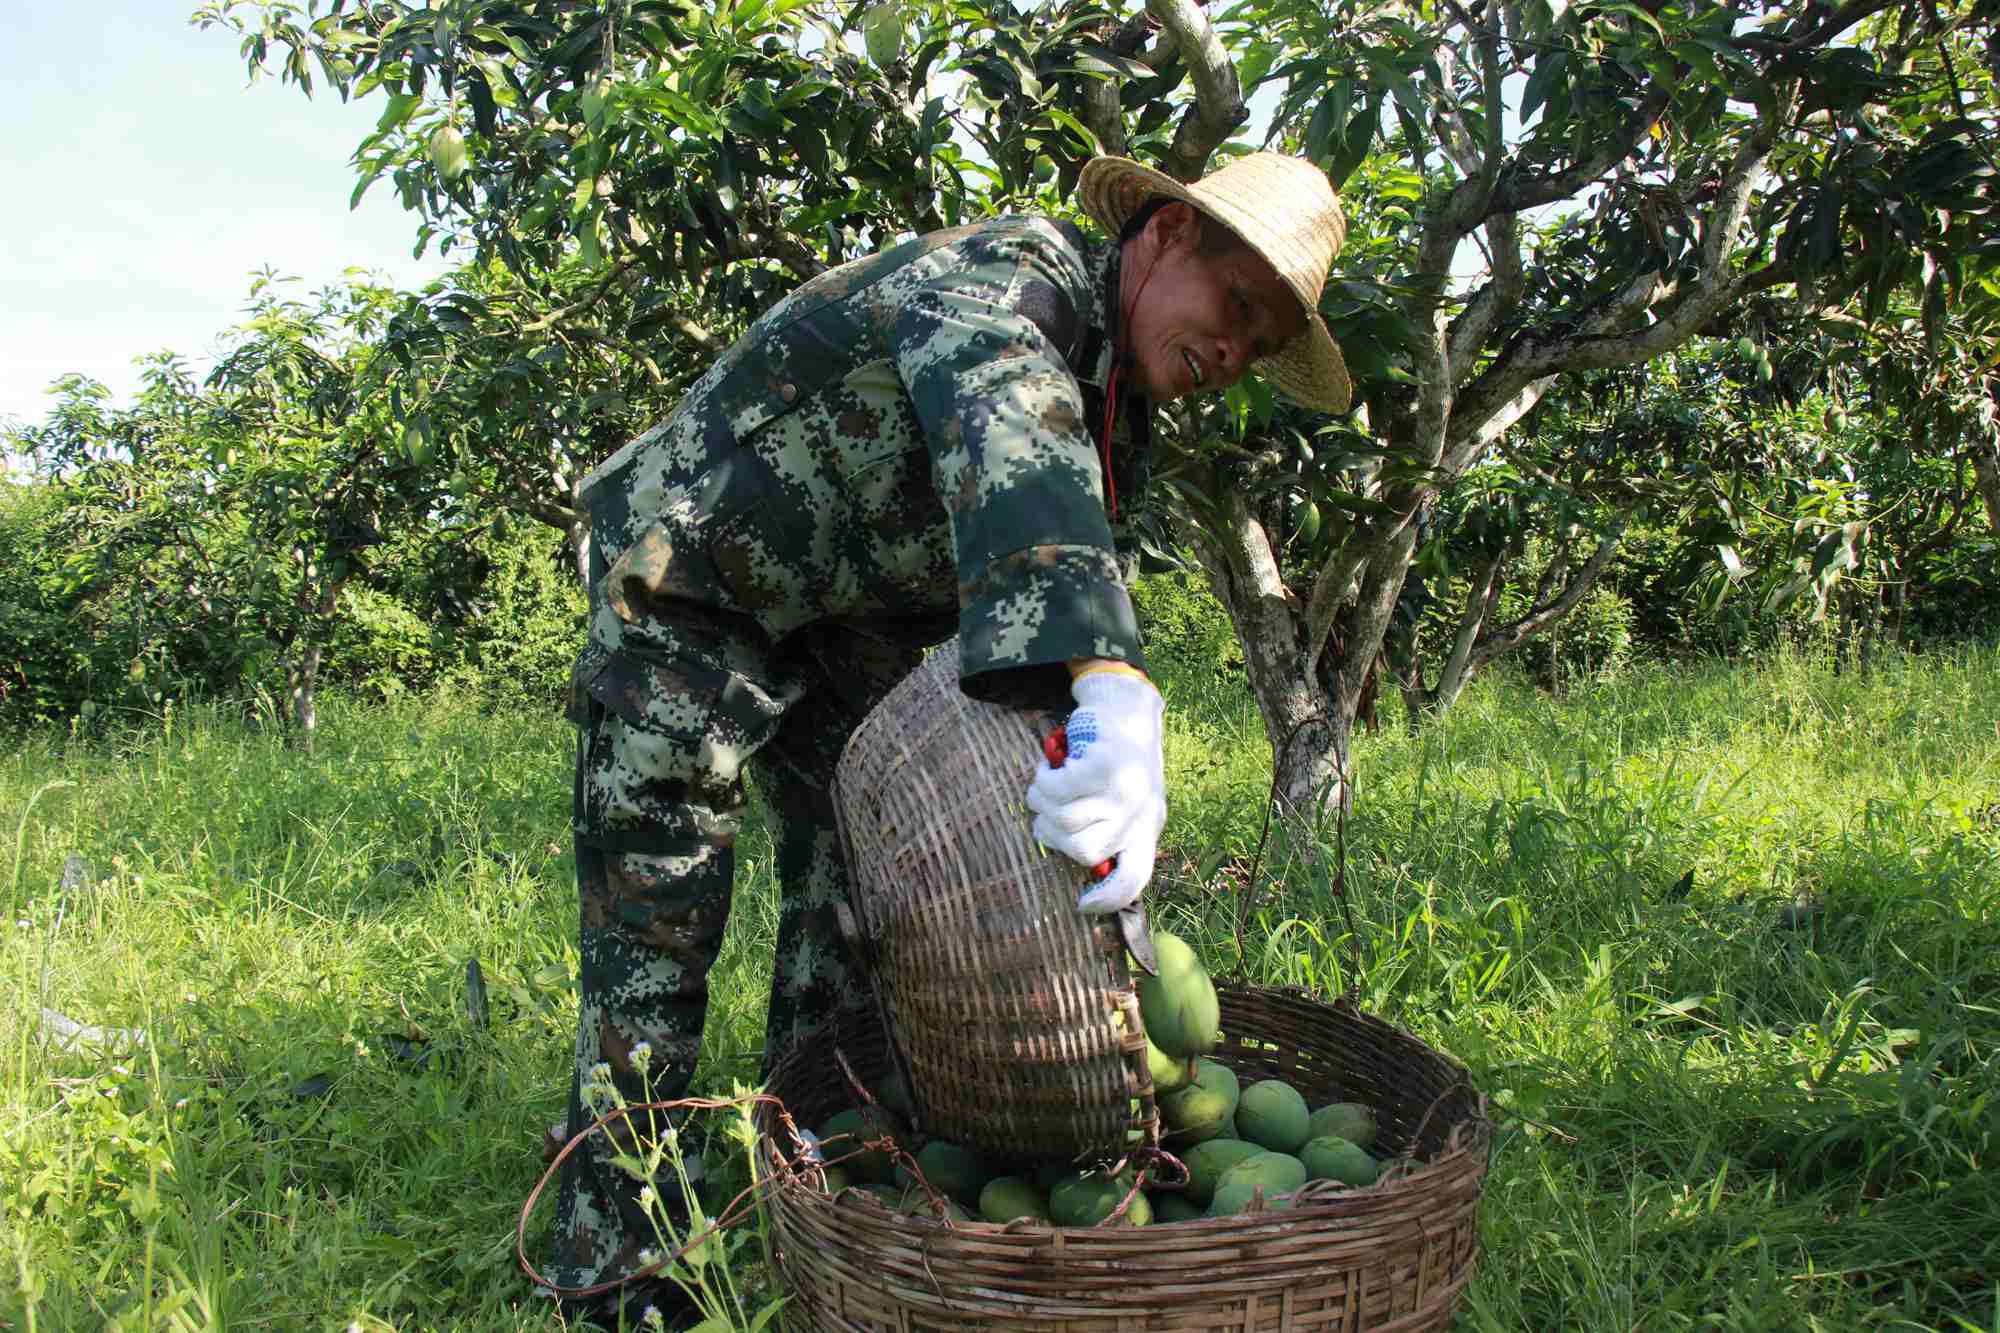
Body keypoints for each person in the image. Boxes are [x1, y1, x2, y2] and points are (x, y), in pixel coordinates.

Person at [547, 150, 1351, 1326]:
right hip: (693, 577)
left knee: (862, 910)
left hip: (845, 630)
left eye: (1258, 342)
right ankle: (607, 1255)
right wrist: (1115, 685)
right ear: (1168, 234)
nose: (1232, 355)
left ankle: (828, 1193)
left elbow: (1031, 591)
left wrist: (1078, 766)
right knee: (656, 921)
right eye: (1235, 308)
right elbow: (1006, 423)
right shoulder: (1012, 276)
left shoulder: (1118, 420)